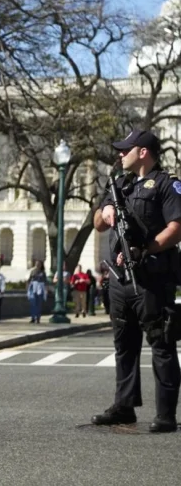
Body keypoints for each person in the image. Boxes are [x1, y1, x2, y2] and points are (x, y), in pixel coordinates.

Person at [92, 128, 181, 433]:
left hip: (152, 276)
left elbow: (177, 226)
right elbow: (98, 224)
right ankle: (124, 407)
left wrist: (147, 249)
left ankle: (166, 415)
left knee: (161, 343)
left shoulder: (168, 184)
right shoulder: (120, 185)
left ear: (142, 152)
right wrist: (105, 209)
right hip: (120, 280)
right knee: (124, 344)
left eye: (125, 149)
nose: (120, 153)